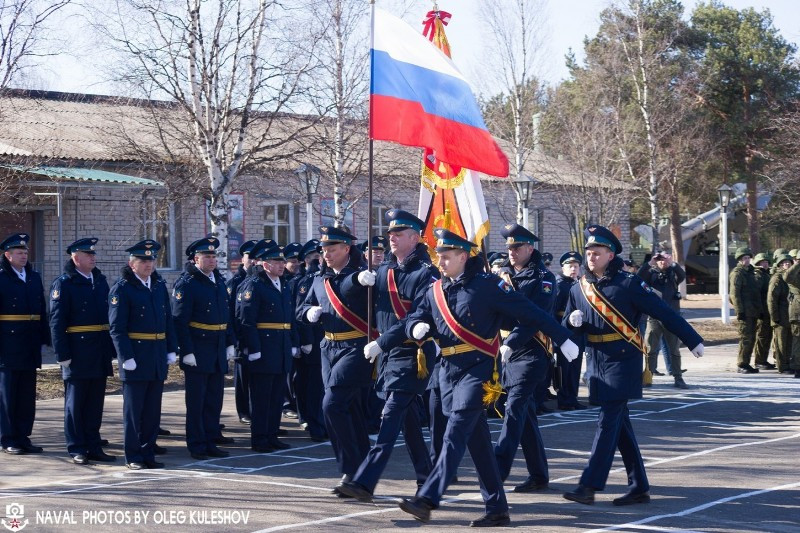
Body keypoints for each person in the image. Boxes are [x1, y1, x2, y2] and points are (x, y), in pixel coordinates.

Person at [397, 228, 579, 527]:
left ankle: (428, 497)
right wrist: (411, 328)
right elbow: (417, 315)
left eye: (445, 257)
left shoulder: (488, 285)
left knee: (455, 431)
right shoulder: (436, 290)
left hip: (478, 371)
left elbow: (530, 311)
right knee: (479, 443)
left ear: (463, 256)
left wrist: (563, 337)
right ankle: (497, 508)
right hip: (448, 372)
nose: (439, 262)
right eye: (438, 256)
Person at [562, 225, 703, 506]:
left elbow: (663, 311)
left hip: (623, 359)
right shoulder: (579, 288)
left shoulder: (629, 283)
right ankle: (638, 486)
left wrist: (692, 339)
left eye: (597, 252)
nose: (591, 256)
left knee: (606, 422)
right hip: (597, 361)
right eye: (588, 252)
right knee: (620, 425)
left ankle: (588, 485)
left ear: (610, 253)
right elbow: (568, 323)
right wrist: (571, 323)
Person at [336, 209, 437, 501]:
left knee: (390, 417)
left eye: (398, 234)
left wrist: (382, 343)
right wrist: (356, 280)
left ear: (415, 238)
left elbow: (416, 315)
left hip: (411, 355)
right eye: (390, 234)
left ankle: (364, 482)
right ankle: (427, 480)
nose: (391, 238)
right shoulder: (383, 270)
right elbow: (351, 298)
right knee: (407, 422)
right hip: (389, 357)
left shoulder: (425, 274)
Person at [492, 224, 573, 495]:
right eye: (509, 248)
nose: (512, 252)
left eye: (517, 247)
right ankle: (539, 475)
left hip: (532, 352)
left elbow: (534, 317)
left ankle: (497, 471)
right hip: (507, 353)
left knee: (513, 410)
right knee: (525, 416)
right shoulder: (500, 274)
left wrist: (511, 341)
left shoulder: (543, 278)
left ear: (530, 248)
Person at [298, 226, 373, 494]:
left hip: (355, 346)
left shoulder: (362, 277)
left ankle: (350, 469)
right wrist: (309, 313)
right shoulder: (319, 279)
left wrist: (369, 281)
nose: (326, 254)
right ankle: (363, 470)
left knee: (331, 405)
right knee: (349, 409)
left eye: (332, 249)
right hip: (328, 348)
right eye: (324, 249)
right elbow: (302, 307)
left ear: (347, 249)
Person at [109, 240, 178, 470]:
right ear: (132, 263)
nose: (149, 264)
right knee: (133, 412)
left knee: (152, 411)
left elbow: (168, 319)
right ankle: (133, 456)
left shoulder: (157, 285)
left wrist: (171, 348)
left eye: (151, 260)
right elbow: (117, 328)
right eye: (143, 261)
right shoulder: (122, 288)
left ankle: (148, 452)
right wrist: (125, 356)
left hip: (157, 355)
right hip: (136, 357)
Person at [49, 238, 116, 465]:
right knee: (75, 404)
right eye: (88, 254)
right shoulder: (64, 284)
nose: (93, 257)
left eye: (93, 254)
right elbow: (57, 323)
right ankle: (77, 447)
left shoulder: (100, 281)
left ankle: (93, 445)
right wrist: (62, 354)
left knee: (95, 403)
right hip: (77, 351)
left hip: (98, 350)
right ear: (75, 258)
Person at [172, 237, 235, 460]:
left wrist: (229, 342)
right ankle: (197, 444)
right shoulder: (187, 283)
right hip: (198, 348)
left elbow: (225, 315)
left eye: (213, 256)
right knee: (197, 402)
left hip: (217, 347)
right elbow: (180, 320)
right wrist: (186, 350)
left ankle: (210, 440)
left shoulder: (217, 281)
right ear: (195, 259)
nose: (212, 260)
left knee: (213, 400)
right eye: (207, 256)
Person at [237, 241, 299, 452]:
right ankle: (260, 438)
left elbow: (290, 317)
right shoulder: (254, 285)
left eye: (282, 261)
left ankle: (272, 434)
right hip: (263, 348)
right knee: (262, 396)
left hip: (280, 347)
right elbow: (246, 320)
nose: (281, 265)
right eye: (276, 261)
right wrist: (253, 349)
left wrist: (293, 342)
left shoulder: (283, 284)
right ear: (264, 264)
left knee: (276, 396)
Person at [0, 233, 50, 455]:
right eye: (19, 253)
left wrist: (45, 337)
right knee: (8, 394)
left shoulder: (33, 277)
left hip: (29, 341)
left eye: (26, 252)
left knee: (26, 395)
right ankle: (7, 437)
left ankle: (23, 436)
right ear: (7, 255)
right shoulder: (1, 277)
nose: (24, 256)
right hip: (7, 343)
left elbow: (41, 309)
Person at [637, 250, 689, 388]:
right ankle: (648, 375)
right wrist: (649, 263)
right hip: (654, 316)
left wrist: (673, 263)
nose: (662, 261)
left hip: (671, 316)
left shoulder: (673, 274)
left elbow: (682, 275)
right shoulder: (651, 274)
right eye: (660, 259)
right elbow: (638, 277)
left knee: (674, 349)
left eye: (664, 259)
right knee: (650, 349)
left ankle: (678, 377)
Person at [292, 239, 327, 441]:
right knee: (314, 387)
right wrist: (305, 341)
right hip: (313, 341)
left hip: (327, 341)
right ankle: (315, 425)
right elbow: (299, 313)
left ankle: (323, 423)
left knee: (324, 387)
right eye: (318, 257)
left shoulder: (327, 278)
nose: (322, 259)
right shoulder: (307, 282)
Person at [227, 240, 257, 425]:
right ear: (243, 259)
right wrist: (235, 341)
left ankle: (256, 410)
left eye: (257, 258)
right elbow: (231, 313)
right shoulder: (235, 282)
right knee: (242, 378)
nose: (254, 261)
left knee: (256, 379)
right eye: (250, 257)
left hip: (257, 339)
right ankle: (243, 411)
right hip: (240, 338)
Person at [555, 251, 586, 411]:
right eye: (570, 266)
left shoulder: (580, 284)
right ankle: (564, 399)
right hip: (564, 331)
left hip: (578, 332)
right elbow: (553, 311)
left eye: (576, 266)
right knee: (564, 368)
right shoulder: (560, 285)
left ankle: (572, 397)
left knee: (575, 367)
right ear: (563, 267)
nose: (573, 269)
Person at [729, 247, 763, 374]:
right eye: (744, 258)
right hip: (745, 312)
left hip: (752, 311)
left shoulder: (750, 273)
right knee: (745, 338)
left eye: (748, 258)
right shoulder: (737, 273)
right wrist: (740, 311)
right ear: (739, 260)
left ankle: (747, 363)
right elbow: (734, 294)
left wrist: (759, 310)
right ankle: (741, 363)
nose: (747, 260)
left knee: (751, 338)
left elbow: (755, 293)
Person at [767, 253, 793, 374]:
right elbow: (771, 299)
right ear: (780, 265)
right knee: (781, 343)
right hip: (780, 317)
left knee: (789, 342)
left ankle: (788, 364)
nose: (787, 264)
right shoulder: (777, 278)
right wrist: (775, 317)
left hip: (790, 315)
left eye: (788, 262)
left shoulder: (792, 277)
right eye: (784, 263)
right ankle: (782, 366)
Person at [752, 253, 775, 370]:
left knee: (767, 336)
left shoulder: (766, 275)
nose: (765, 264)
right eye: (762, 262)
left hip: (768, 311)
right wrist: (759, 310)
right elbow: (756, 295)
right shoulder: (758, 276)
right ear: (758, 263)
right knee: (762, 336)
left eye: (766, 262)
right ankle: (759, 361)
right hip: (762, 311)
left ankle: (763, 360)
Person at [784, 260, 800, 378]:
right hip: (797, 313)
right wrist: (797, 264)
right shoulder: (794, 276)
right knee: (797, 340)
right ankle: (797, 367)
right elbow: (787, 277)